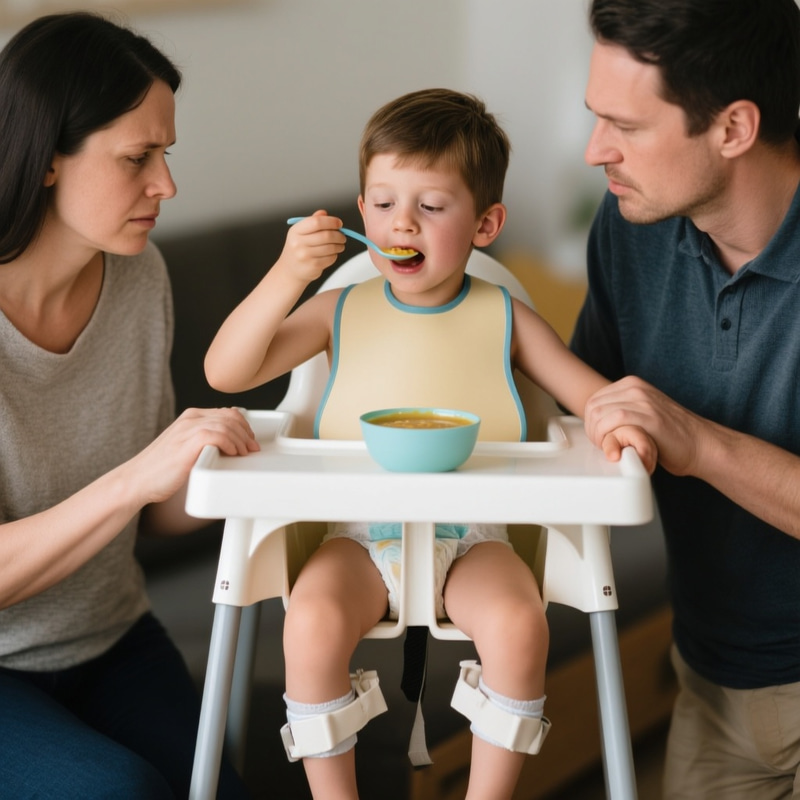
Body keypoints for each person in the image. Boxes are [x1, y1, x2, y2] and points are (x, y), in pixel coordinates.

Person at [205, 87, 656, 800]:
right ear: (361, 212)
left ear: (485, 223)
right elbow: (226, 370)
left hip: (473, 539)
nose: (400, 224)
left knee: (517, 623)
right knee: (314, 620)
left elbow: (588, 397)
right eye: (382, 203)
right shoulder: (339, 311)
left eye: (431, 207)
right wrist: (291, 275)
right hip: (356, 536)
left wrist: (616, 422)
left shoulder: (506, 317)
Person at [0, 12, 259, 799]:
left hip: (114, 636)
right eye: (137, 157)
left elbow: (161, 516)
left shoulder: (140, 278)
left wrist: (252, 456)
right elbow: (134, 488)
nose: (166, 185)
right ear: (47, 157)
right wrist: (138, 476)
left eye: (166, 154)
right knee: (118, 790)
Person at [575, 1, 800, 797]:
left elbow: (677, 436)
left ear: (734, 127)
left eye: (625, 127)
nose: (595, 150)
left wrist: (697, 444)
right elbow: (581, 413)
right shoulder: (631, 225)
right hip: (714, 682)